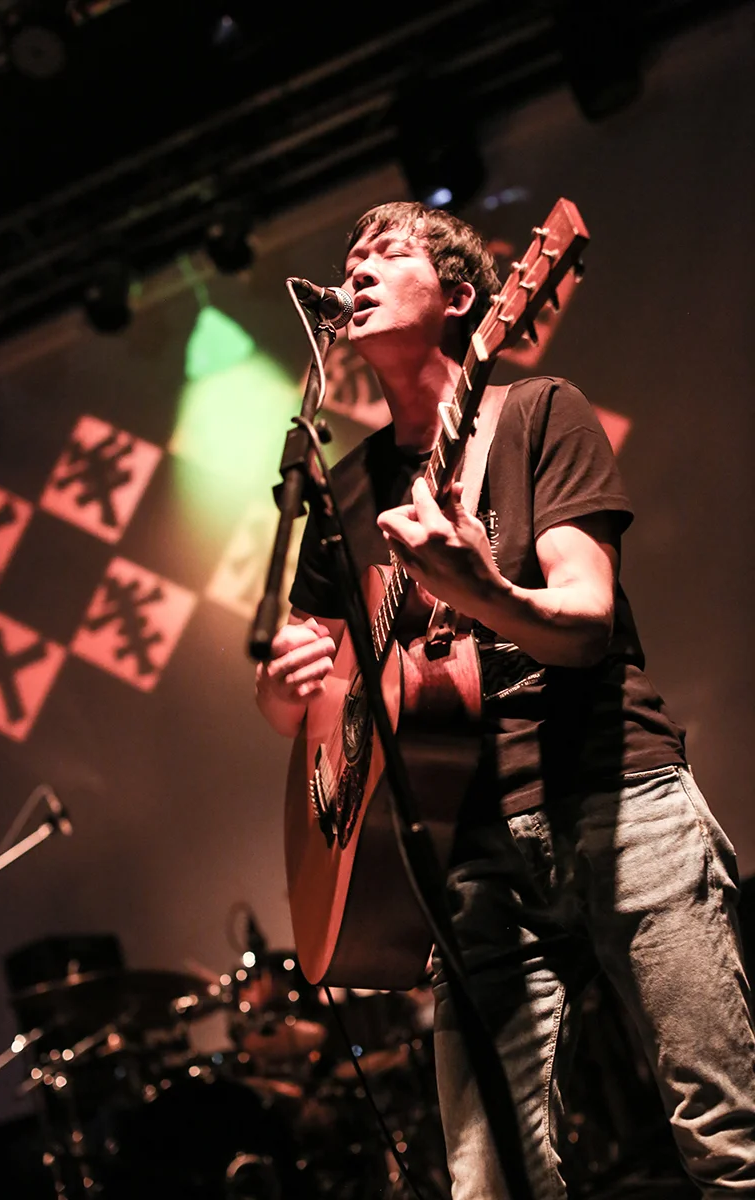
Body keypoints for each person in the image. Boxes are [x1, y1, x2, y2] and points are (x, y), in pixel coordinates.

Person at [254, 200, 755, 1198]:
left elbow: (584, 622)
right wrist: (282, 685)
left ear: (462, 299)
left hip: (618, 801)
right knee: (489, 1186)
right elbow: (304, 702)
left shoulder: (536, 413)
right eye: (349, 257)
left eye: (385, 251)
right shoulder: (343, 493)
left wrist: (480, 592)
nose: (355, 269)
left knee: (725, 1138)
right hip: (468, 854)